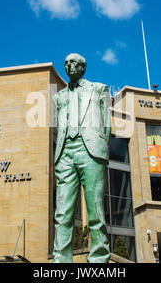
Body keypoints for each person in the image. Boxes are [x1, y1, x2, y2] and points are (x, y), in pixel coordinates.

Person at [52, 53, 111, 263]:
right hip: (65, 152)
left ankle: (99, 260)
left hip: (90, 150)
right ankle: (60, 260)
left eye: (73, 62)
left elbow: (106, 124)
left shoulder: (99, 89)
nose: (68, 65)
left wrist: (100, 146)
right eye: (65, 62)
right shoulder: (58, 97)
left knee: (95, 210)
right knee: (63, 214)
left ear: (83, 67)